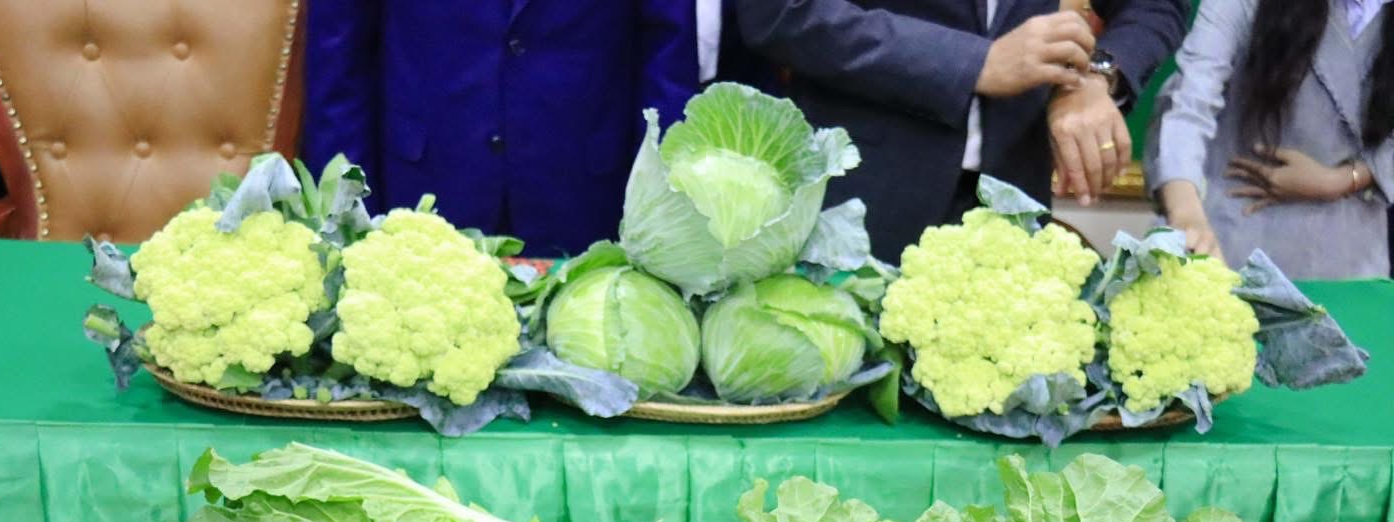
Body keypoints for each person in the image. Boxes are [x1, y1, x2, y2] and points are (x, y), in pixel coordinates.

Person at [732, 0, 1189, 262]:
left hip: (1014, 204)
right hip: (855, 203)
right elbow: (780, 12)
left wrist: (1093, 76)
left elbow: (1154, 6)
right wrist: (974, 63)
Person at [302, 1, 700, 257]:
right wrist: (346, 223)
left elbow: (667, 54)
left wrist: (664, 211)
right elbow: (339, 60)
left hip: (585, 197)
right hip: (421, 189)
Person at [1147, 0, 1394, 277]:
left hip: (1352, 253)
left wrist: (1343, 179)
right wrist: (1185, 214)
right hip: (1233, 238)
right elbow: (1189, 104)